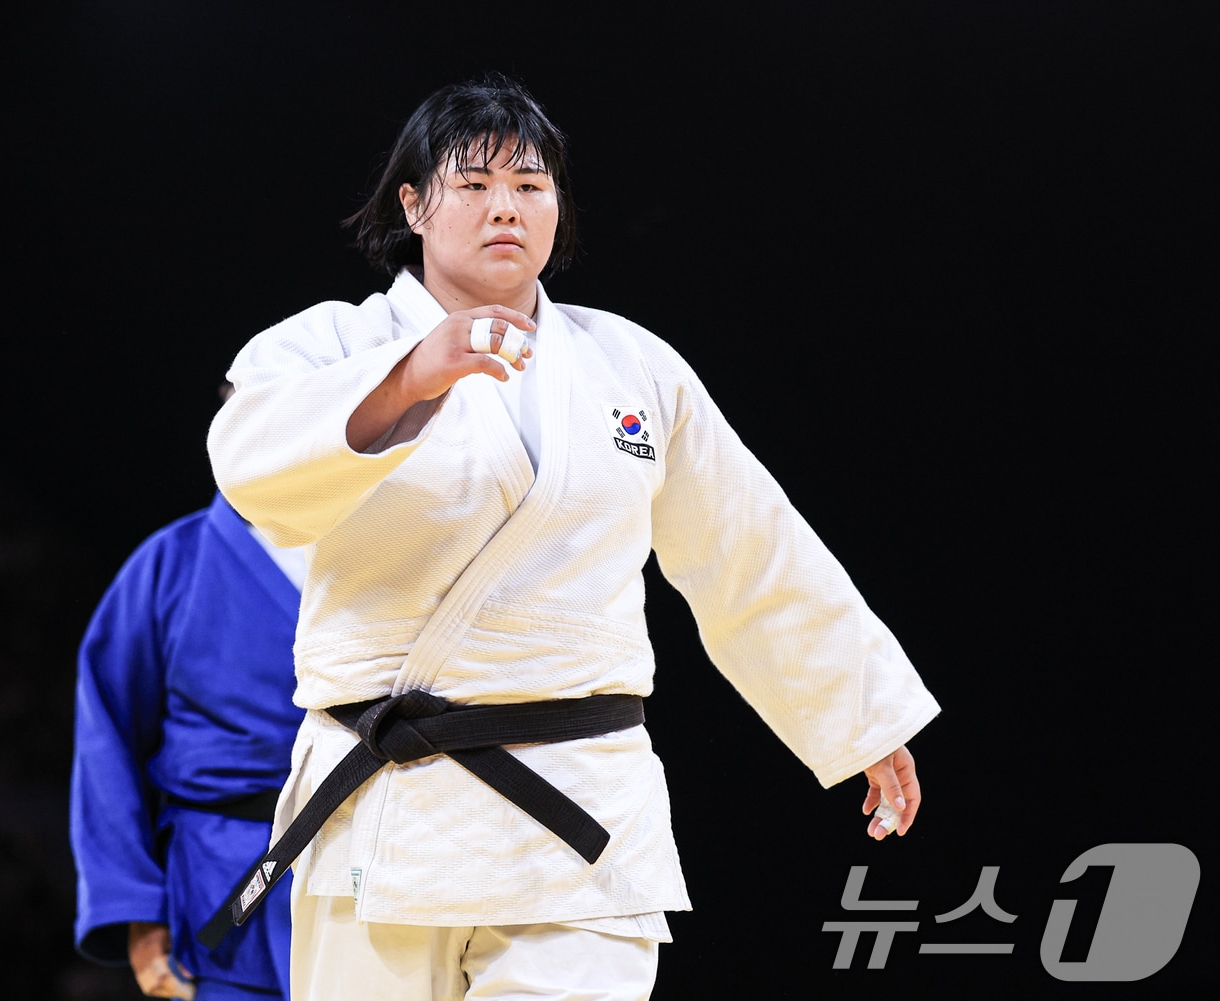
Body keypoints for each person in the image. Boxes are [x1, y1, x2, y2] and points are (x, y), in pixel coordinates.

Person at [204, 73, 941, 1000]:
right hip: (385, 815)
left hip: (580, 809)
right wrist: (411, 375)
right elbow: (250, 465)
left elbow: (748, 549)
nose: (505, 207)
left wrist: (860, 716)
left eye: (530, 184)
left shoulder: (630, 367)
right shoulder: (329, 347)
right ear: (414, 205)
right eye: (474, 184)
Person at [71, 490, 307, 999]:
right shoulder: (173, 562)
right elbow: (105, 741)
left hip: (369, 860)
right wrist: (137, 908)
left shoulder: (393, 547)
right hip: (219, 883)